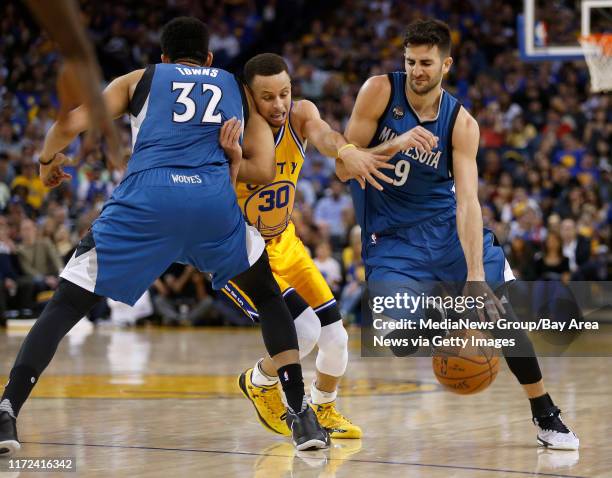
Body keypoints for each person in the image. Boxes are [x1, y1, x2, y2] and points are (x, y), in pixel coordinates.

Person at [0, 17, 329, 455]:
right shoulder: (236, 86)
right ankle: (302, 416)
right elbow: (265, 169)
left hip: (147, 202)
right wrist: (231, 159)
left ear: (164, 58)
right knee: (268, 297)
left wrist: (46, 161)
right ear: (209, 59)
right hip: (211, 203)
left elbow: (71, 122)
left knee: (65, 304)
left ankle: (7, 411)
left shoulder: (142, 78)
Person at [338, 19, 578, 450]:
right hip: (393, 240)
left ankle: (546, 414)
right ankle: (455, 319)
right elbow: (343, 165)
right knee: (396, 341)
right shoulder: (379, 91)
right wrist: (395, 144)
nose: (416, 71)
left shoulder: (461, 123)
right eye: (410, 61)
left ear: (445, 64)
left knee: (501, 313)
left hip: (447, 230)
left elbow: (468, 202)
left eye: (426, 63)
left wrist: (473, 275)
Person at [222, 53, 396, 439]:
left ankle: (325, 407)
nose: (279, 104)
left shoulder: (300, 115)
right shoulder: (231, 128)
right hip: (240, 252)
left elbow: (323, 134)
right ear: (248, 96)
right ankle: (260, 380)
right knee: (304, 332)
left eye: (284, 93)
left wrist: (345, 149)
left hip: (285, 243)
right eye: (267, 97)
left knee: (336, 337)